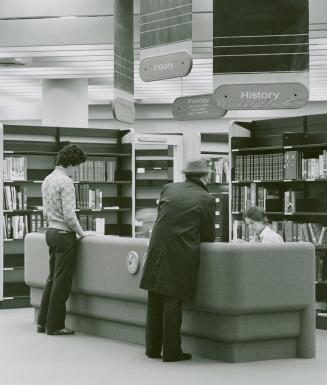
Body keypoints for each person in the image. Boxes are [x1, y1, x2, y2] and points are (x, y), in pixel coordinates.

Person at [140, 159, 216, 362]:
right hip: (180, 252)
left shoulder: (168, 189)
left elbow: (163, 218)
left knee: (155, 298)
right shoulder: (206, 198)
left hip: (157, 249)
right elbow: (208, 235)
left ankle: (152, 349)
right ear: (204, 176)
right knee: (172, 301)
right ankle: (172, 351)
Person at [37, 144, 98, 336]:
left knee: (52, 278)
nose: (76, 170)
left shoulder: (47, 180)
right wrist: (82, 232)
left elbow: (46, 211)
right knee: (62, 282)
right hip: (64, 235)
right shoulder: (66, 182)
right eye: (77, 166)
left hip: (51, 232)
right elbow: (70, 216)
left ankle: (42, 321)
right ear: (71, 163)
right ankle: (55, 325)